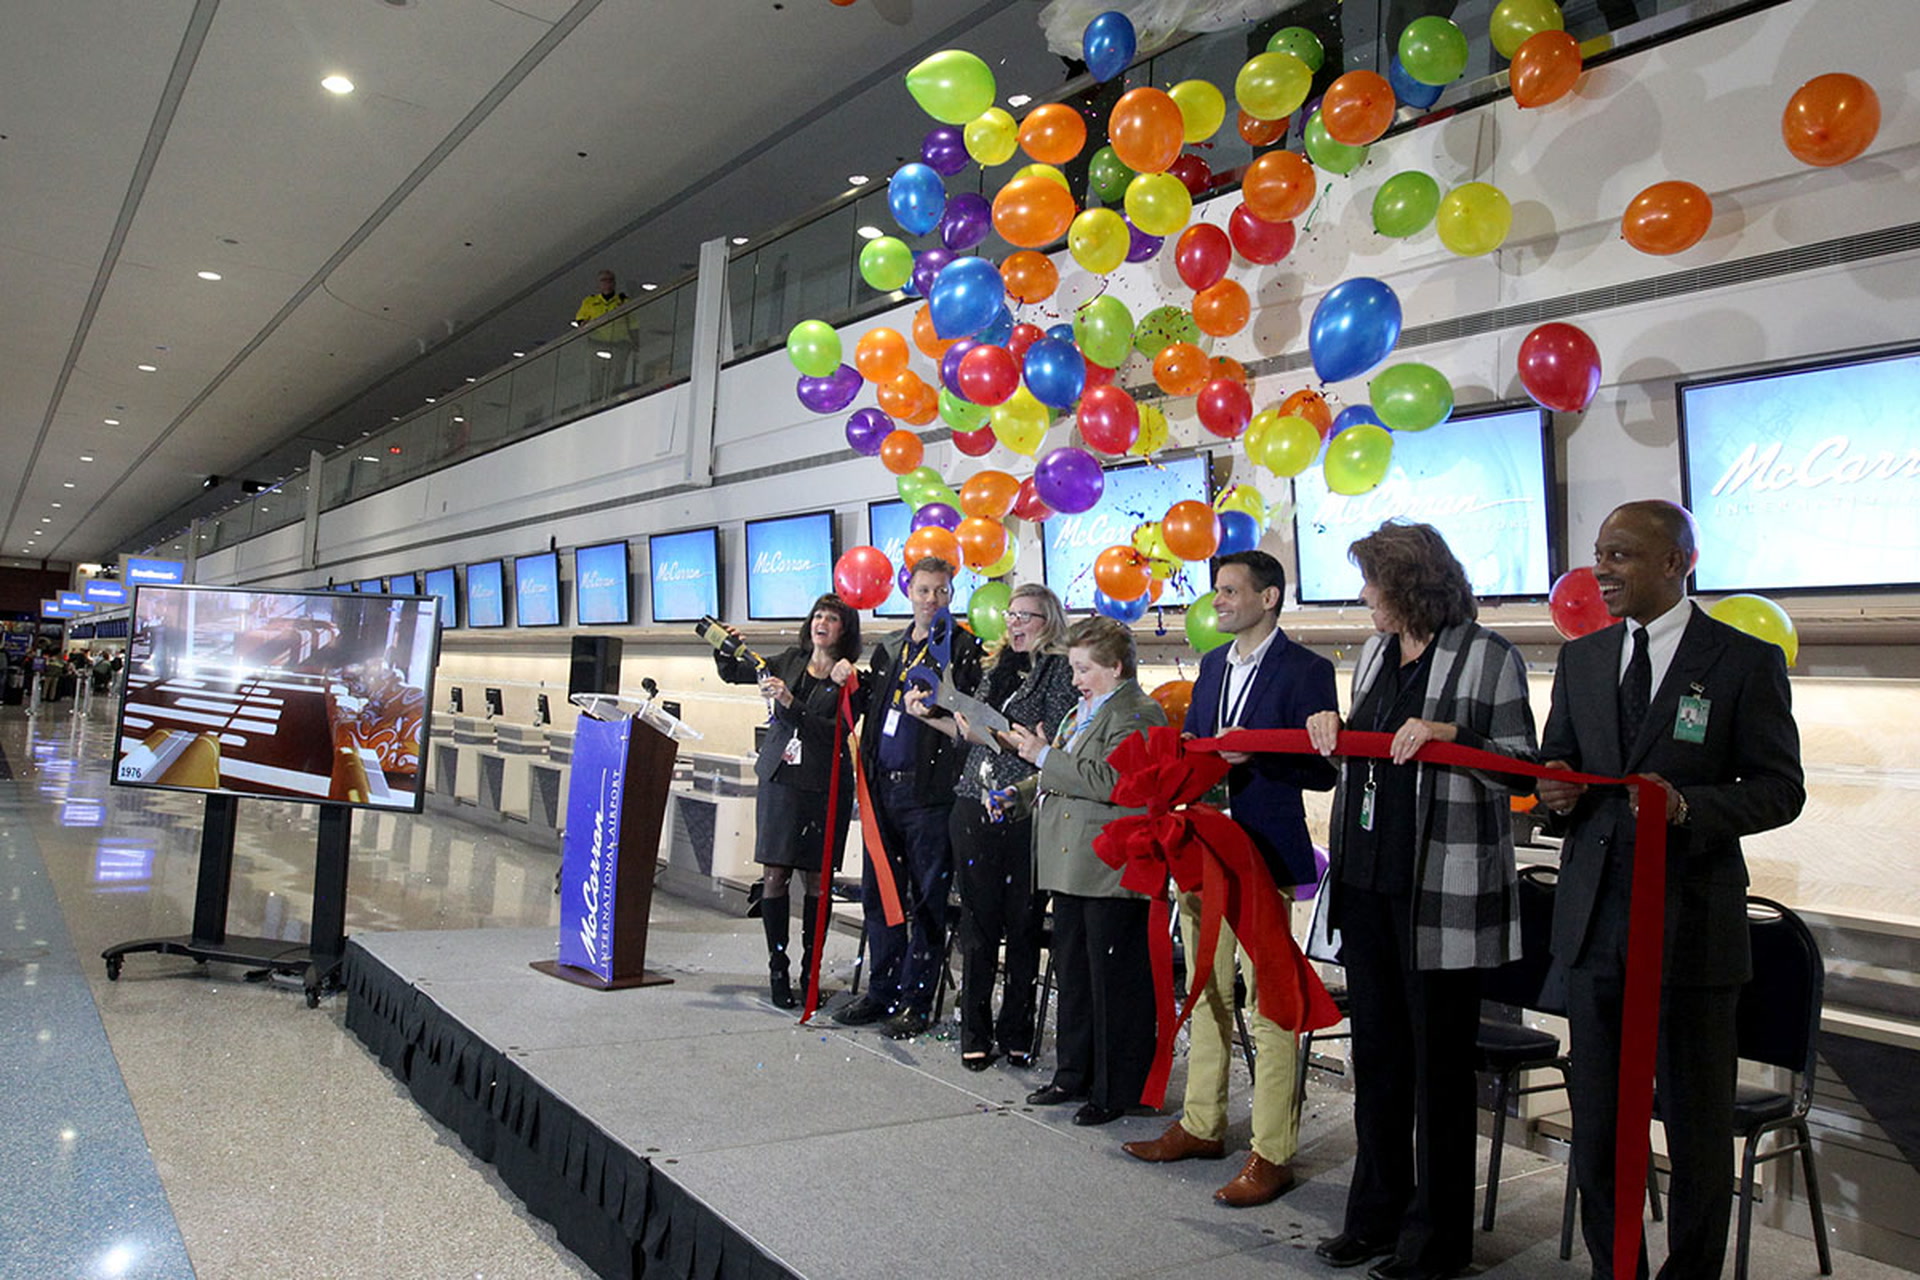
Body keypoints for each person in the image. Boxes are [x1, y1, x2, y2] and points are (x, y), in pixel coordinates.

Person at [1538, 500, 1804, 1280]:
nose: (1601, 571)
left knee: (1693, 1128)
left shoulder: (1742, 662)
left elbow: (1780, 789)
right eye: (1597, 554)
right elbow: (1563, 764)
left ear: (1676, 563)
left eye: (1620, 555)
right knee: (1598, 1126)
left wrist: (1689, 806)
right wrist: (1555, 796)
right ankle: (1612, 1268)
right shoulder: (1584, 660)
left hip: (1692, 929)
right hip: (1593, 928)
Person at [1305, 521, 1538, 1280]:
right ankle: (1373, 1217)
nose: (1365, 597)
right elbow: (1370, 747)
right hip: (1369, 882)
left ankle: (1436, 1242)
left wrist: (1452, 734)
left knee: (1438, 1074)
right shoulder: (1375, 651)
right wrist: (1329, 729)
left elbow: (1523, 771)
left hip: (1442, 893)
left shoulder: (1488, 655)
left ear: (1408, 584)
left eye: (1372, 582)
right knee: (1377, 1062)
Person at [1123, 549, 1338, 1207]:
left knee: (1268, 1003)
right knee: (1205, 990)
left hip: (1265, 855)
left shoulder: (1308, 670)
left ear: (1268, 598)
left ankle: (1272, 1153)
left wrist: (1262, 755)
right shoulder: (1213, 665)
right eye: (1216, 590)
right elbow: (1192, 753)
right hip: (1203, 851)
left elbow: (1323, 770)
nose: (1217, 601)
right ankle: (1201, 1123)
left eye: (1229, 590)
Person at [1001, 616, 1166, 1127]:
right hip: (1068, 863)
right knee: (1073, 975)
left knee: (1111, 982)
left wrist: (1042, 754)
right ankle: (1072, 1073)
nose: (1075, 679)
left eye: (1084, 669)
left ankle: (1115, 1087)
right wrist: (1020, 795)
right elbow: (1065, 769)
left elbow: (1116, 782)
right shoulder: (1084, 711)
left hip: (1107, 866)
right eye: (1074, 668)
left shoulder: (1139, 713)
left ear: (1116, 667)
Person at [834, 557, 983, 1039]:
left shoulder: (963, 650)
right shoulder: (891, 648)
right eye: (924, 591)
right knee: (881, 898)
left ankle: (916, 1001)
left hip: (929, 796)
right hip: (882, 790)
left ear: (951, 595)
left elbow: (970, 726)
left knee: (926, 902)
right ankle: (882, 992)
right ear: (909, 593)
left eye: (941, 591)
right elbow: (870, 707)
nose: (932, 600)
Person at [939, 584, 1076, 1071]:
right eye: (1012, 615)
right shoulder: (996, 667)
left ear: (1050, 621)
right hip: (973, 800)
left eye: (1028, 617)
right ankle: (974, 1028)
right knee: (978, 922)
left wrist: (998, 733)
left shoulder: (1062, 670)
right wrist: (960, 720)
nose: (1016, 624)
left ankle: (1015, 1028)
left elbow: (1053, 738)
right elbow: (973, 730)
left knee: (1022, 922)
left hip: (1026, 805)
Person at [712, 595, 865, 1009]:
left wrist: (789, 703)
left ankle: (810, 971)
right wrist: (723, 647)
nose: (822, 623)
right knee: (775, 875)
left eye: (832, 618)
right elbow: (734, 673)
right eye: (818, 615)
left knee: (817, 882)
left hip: (823, 786)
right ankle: (778, 968)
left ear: (844, 630)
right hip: (780, 783)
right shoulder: (789, 660)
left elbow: (832, 734)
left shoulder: (851, 678)